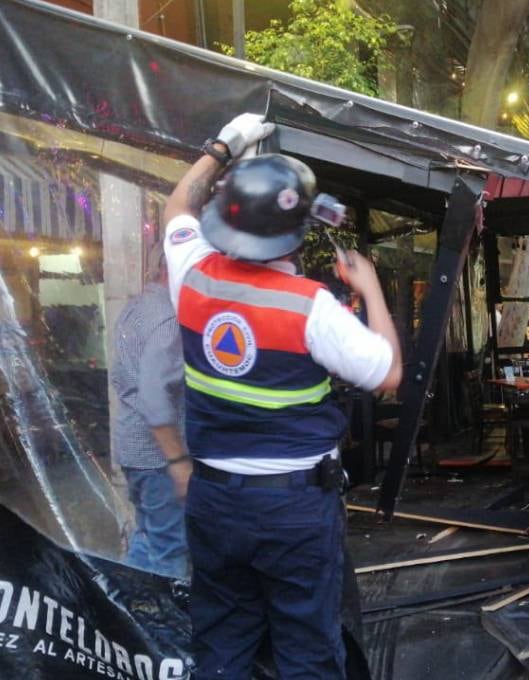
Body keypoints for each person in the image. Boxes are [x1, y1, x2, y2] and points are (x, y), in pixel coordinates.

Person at [163, 113, 401, 678]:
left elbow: (176, 210)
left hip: (214, 503)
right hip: (293, 511)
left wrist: (223, 144)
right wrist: (369, 289)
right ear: (294, 235)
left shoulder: (191, 275)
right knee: (307, 650)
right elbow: (387, 372)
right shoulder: (310, 306)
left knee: (221, 645)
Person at [109, 250, 190, 579]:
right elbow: (155, 393)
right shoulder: (168, 318)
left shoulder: (136, 307)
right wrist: (178, 461)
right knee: (170, 550)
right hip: (157, 457)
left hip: (132, 445)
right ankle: (162, 625)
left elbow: (122, 375)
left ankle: (118, 605)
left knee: (148, 538)